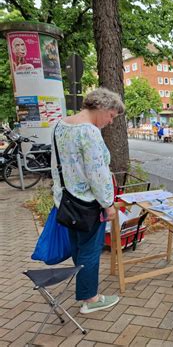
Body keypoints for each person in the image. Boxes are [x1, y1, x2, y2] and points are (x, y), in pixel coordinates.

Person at [51, 88, 124, 314]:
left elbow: (55, 165)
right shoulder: (89, 132)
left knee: (78, 248)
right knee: (90, 251)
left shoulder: (60, 126)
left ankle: (85, 291)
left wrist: (58, 195)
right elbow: (97, 172)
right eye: (111, 116)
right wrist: (108, 204)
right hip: (89, 203)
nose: (110, 122)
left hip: (67, 201)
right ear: (102, 107)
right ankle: (90, 299)